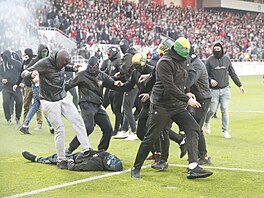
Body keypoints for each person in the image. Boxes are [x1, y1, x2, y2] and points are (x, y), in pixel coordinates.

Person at [130, 37, 213, 179]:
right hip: (162, 105)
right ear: (177, 50)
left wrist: (187, 91)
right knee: (151, 136)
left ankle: (193, 167)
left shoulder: (184, 59)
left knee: (193, 128)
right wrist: (187, 99)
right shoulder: (164, 62)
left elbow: (182, 81)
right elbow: (169, 87)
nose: (185, 58)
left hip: (177, 104)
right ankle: (136, 168)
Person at [21, 49, 96, 169]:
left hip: (62, 97)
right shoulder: (43, 63)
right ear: (56, 60)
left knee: (78, 120)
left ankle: (87, 149)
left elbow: (63, 68)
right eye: (62, 64)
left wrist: (72, 68)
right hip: (49, 101)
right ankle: (61, 160)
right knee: (59, 129)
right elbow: (24, 72)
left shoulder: (60, 63)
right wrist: (31, 75)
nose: (62, 66)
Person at [64, 56, 123, 153]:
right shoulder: (81, 75)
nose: (92, 69)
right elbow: (69, 84)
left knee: (108, 128)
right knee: (88, 128)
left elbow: (112, 83)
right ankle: (70, 149)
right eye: (91, 67)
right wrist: (57, 91)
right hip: (86, 104)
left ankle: (102, 150)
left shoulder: (102, 75)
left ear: (98, 67)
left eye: (94, 67)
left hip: (98, 105)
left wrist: (117, 83)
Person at [203, 42, 245, 139]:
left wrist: (240, 85)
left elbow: (232, 73)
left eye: (219, 49)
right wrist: (211, 80)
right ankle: (206, 122)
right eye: (215, 49)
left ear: (222, 49)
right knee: (212, 110)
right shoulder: (209, 60)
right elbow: (205, 74)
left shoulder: (226, 59)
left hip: (225, 89)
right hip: (213, 91)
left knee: (224, 110)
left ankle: (225, 130)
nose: (217, 51)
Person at [185, 46, 212, 165]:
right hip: (200, 97)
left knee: (195, 128)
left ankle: (202, 156)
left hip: (202, 99)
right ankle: (201, 155)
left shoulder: (195, 66)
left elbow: (190, 81)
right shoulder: (196, 63)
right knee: (196, 128)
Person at [18, 44, 53, 134]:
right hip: (37, 86)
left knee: (35, 106)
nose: (45, 53)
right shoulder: (35, 61)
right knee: (43, 105)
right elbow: (27, 71)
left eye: (46, 51)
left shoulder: (46, 60)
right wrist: (32, 77)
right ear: (39, 52)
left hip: (42, 85)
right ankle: (52, 126)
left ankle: (25, 125)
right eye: (43, 51)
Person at [113, 39, 138, 139]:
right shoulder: (133, 54)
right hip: (135, 83)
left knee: (127, 107)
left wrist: (120, 69)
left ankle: (134, 131)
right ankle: (124, 130)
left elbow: (125, 68)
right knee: (127, 107)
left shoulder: (128, 56)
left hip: (131, 84)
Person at [21, 150, 123, 171]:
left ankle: (37, 159)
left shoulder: (95, 164)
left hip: (75, 160)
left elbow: (78, 167)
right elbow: (94, 151)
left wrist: (70, 162)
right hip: (80, 155)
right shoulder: (105, 154)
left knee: (55, 158)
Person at [0, 50, 23, 125]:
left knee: (20, 101)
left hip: (16, 86)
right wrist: (2, 79)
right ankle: (8, 118)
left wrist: (21, 82)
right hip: (6, 87)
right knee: (6, 102)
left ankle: (18, 117)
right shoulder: (2, 65)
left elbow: (22, 73)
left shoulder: (17, 64)